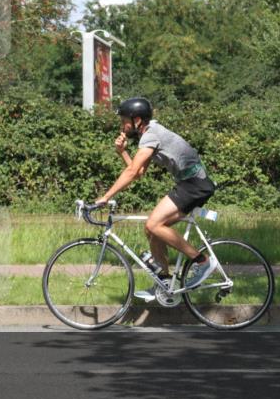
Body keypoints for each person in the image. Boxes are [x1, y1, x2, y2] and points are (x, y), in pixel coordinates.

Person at [93, 97, 218, 301]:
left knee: (153, 224)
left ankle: (202, 261)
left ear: (137, 120)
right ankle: (164, 282)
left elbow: (132, 172)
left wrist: (106, 197)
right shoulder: (148, 135)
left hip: (194, 184)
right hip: (189, 184)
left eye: (124, 121)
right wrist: (122, 152)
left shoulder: (151, 135)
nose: (122, 126)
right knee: (152, 230)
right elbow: (138, 172)